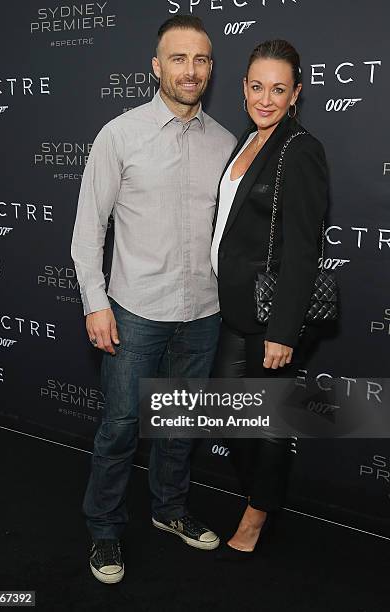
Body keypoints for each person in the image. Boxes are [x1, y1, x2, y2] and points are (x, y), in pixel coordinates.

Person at [71, 15, 236, 583]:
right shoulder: (120, 135)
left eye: (201, 60)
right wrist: (96, 302)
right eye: (178, 59)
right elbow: (88, 229)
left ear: (212, 69)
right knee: (120, 427)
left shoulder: (227, 144)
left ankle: (170, 512)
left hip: (204, 314)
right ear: (156, 67)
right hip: (135, 312)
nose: (190, 71)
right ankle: (105, 531)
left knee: (180, 426)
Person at [211, 39, 329, 560]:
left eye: (278, 89)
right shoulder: (247, 139)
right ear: (243, 88)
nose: (266, 98)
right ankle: (260, 496)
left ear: (296, 93)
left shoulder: (300, 149)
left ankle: (258, 514)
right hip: (233, 311)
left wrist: (284, 330)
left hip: (268, 318)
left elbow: (304, 251)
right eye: (257, 87)